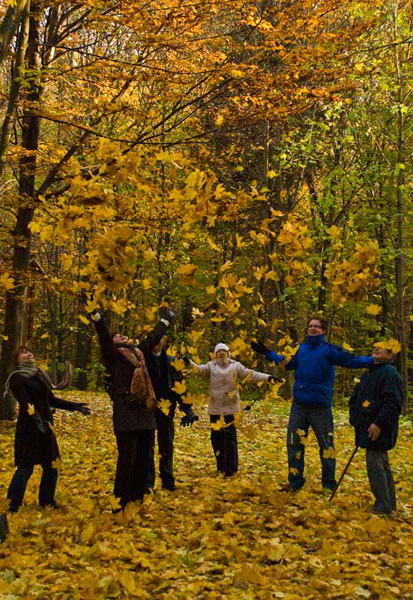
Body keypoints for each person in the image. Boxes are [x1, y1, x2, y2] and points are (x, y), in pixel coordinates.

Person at [251, 317, 374, 492]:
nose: (312, 329)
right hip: (299, 405)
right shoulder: (302, 348)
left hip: (320, 406)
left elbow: (351, 360)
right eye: (310, 326)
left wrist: (373, 361)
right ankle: (295, 482)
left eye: (316, 326)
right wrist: (266, 352)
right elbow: (288, 364)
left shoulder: (329, 350)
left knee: (326, 446)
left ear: (323, 330)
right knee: (294, 444)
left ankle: (328, 485)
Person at [91, 308, 175, 508]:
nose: (122, 336)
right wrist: (97, 318)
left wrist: (166, 320)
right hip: (126, 414)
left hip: (145, 411)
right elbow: (103, 335)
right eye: (118, 335)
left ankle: (137, 500)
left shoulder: (139, 354)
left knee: (144, 460)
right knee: (127, 460)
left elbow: (153, 337)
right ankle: (120, 501)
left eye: (123, 334)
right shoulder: (113, 356)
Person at [4, 346, 90, 513]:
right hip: (29, 428)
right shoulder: (17, 378)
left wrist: (75, 406)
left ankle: (47, 502)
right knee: (25, 468)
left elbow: (51, 400)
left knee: (52, 466)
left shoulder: (39, 375)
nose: (29, 353)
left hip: (46, 427)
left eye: (30, 351)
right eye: (23, 352)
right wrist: (36, 419)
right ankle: (12, 505)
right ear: (17, 360)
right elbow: (25, 402)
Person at [187, 343, 276, 477]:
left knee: (230, 440)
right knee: (217, 440)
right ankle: (220, 466)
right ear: (215, 354)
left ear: (229, 353)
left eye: (224, 351)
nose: (221, 354)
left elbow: (251, 375)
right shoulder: (210, 366)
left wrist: (268, 377)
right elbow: (197, 370)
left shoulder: (236, 366)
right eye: (219, 352)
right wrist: (187, 362)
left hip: (231, 409)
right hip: (215, 409)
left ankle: (231, 469)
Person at [349, 344, 403, 514]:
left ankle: (382, 506)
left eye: (383, 348)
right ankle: (389, 504)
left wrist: (379, 423)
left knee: (375, 464)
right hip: (366, 425)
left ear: (390, 354)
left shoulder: (390, 374)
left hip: (379, 427)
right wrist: (355, 419)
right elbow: (355, 398)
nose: (376, 349)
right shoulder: (368, 373)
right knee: (382, 463)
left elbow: (393, 403)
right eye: (375, 347)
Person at [141, 335, 198, 492]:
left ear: (164, 342)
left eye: (159, 340)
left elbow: (180, 386)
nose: (156, 344)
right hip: (148, 408)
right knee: (148, 446)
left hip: (167, 409)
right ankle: (147, 483)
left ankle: (167, 479)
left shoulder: (172, 361)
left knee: (166, 444)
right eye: (154, 340)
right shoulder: (142, 359)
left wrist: (188, 409)